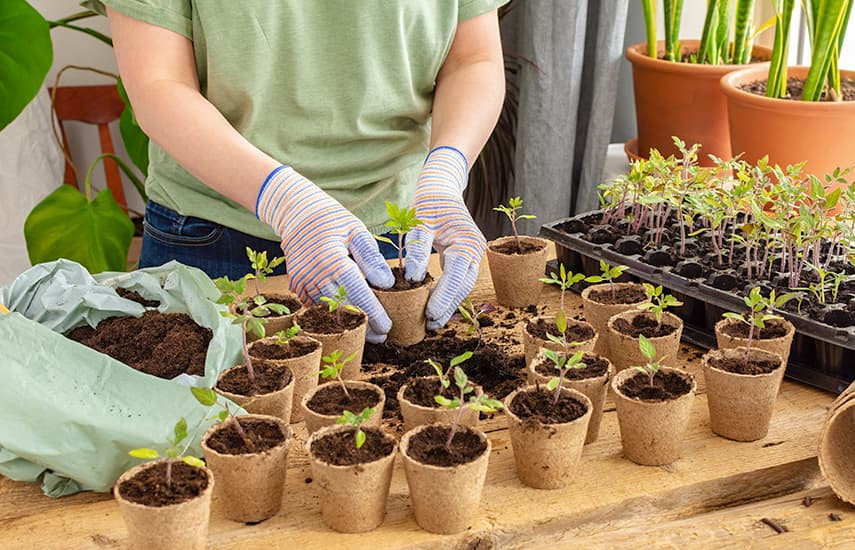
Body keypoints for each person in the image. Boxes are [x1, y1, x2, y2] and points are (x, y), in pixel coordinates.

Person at [93, 1, 508, 343]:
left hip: (397, 238)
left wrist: (445, 172)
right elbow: (159, 82)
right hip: (215, 239)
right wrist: (286, 202)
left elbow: (472, 58)